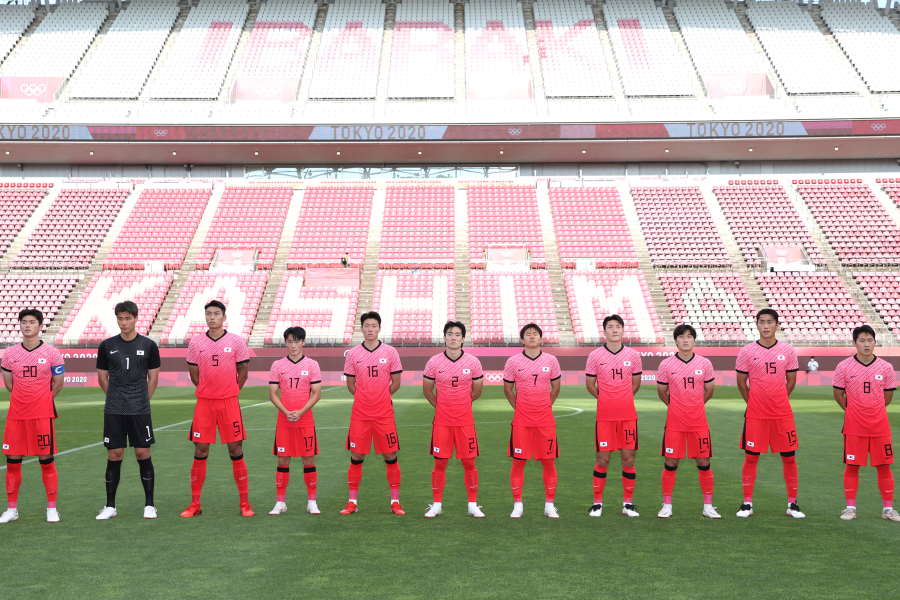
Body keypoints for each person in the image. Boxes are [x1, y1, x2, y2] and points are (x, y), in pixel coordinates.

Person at [180, 300, 254, 518]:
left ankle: (244, 504)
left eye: (216, 314)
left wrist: (231, 391)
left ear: (224, 317)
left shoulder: (236, 341)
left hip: (229, 403)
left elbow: (243, 370)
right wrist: (207, 390)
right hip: (205, 403)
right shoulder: (196, 342)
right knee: (200, 449)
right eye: (209, 314)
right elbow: (194, 373)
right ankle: (195, 504)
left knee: (235, 449)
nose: (212, 317)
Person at [95, 301, 161, 521]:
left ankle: (150, 505)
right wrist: (114, 397)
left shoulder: (149, 345)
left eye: (127, 318)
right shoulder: (106, 345)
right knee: (115, 454)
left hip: (139, 409)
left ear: (135, 318)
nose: (124, 323)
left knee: (143, 453)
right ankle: (110, 506)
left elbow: (153, 377)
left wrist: (142, 399)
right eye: (120, 318)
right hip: (114, 409)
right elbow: (102, 377)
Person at [735, 308, 804, 519]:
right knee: (751, 457)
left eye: (770, 322)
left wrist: (780, 399)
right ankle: (747, 503)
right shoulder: (747, 351)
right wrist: (754, 402)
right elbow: (741, 382)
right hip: (756, 415)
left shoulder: (788, 351)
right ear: (757, 325)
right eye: (762, 322)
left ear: (777, 325)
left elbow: (791, 380)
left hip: (782, 414)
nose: (765, 326)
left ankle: (792, 504)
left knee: (789, 458)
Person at [0, 309, 65, 524]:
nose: (27, 326)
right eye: (24, 322)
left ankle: (52, 508)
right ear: (20, 325)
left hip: (42, 415)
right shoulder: (9, 354)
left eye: (32, 322)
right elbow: (9, 384)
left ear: (40, 326)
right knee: (12, 462)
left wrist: (42, 400)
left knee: (46, 461)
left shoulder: (52, 353)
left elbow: (58, 384)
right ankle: (11, 509)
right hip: (17, 415)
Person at [340, 311, 404, 515]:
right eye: (366, 326)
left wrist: (382, 397)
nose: (370, 329)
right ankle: (352, 501)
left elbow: (397, 382)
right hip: (360, 414)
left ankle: (395, 502)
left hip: (384, 414)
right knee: (357, 455)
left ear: (379, 328)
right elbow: (351, 384)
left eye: (373, 326)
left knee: (390, 454)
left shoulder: (390, 352)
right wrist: (364, 398)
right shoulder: (353, 354)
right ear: (362, 328)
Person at [833, 325, 899, 522]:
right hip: (854, 426)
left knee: (884, 466)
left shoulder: (886, 367)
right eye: (862, 340)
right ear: (855, 343)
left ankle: (888, 509)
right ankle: (850, 507)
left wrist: (874, 410)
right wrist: (853, 410)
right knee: (852, 466)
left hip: (880, 426)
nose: (866, 344)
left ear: (875, 342)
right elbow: (838, 394)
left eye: (870, 340)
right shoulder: (844, 366)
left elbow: (887, 397)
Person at [655, 324, 720, 519]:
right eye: (681, 337)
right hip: (675, 423)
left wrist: (696, 405)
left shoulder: (704, 363)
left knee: (703, 461)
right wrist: (675, 406)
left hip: (698, 422)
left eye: (689, 336)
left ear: (694, 340)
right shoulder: (666, 365)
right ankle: (667, 505)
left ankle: (708, 506)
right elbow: (662, 392)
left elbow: (709, 390)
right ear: (676, 340)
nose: (685, 340)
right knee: (671, 462)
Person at [422, 321, 485, 518]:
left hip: (465, 422)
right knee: (440, 463)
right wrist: (442, 407)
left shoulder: (473, 362)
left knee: (469, 462)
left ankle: (473, 504)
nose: (453, 337)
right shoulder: (434, 362)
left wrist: (461, 407)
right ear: (444, 338)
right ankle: (437, 504)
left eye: (457, 334)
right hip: (442, 422)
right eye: (450, 334)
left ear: (463, 339)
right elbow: (427, 390)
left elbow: (477, 391)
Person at [585, 314, 642, 518]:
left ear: (623, 330)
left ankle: (628, 503)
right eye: (610, 327)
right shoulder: (595, 356)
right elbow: (590, 385)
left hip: (627, 416)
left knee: (628, 458)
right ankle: (597, 503)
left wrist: (622, 398)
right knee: (603, 458)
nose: (615, 330)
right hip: (605, 417)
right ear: (605, 331)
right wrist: (605, 399)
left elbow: (636, 384)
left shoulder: (633, 356)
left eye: (618, 326)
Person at [503, 323, 562, 519]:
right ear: (522, 340)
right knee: (518, 461)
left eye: (535, 334)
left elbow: (555, 387)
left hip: (545, 420)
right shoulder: (513, 361)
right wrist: (519, 407)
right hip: (522, 420)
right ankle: (518, 504)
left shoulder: (551, 360)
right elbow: (508, 389)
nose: (532, 336)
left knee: (548, 461)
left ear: (541, 338)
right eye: (528, 334)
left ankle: (549, 504)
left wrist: (546, 406)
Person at [267, 326, 322, 516]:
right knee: (283, 459)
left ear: (303, 342)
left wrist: (300, 411)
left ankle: (312, 501)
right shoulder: (277, 365)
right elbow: (273, 394)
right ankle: (280, 502)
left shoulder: (312, 365)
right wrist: (286, 411)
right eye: (289, 341)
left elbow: (316, 394)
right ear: (285, 343)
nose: (293, 345)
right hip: (284, 421)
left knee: (308, 459)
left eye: (296, 341)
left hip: (305, 420)